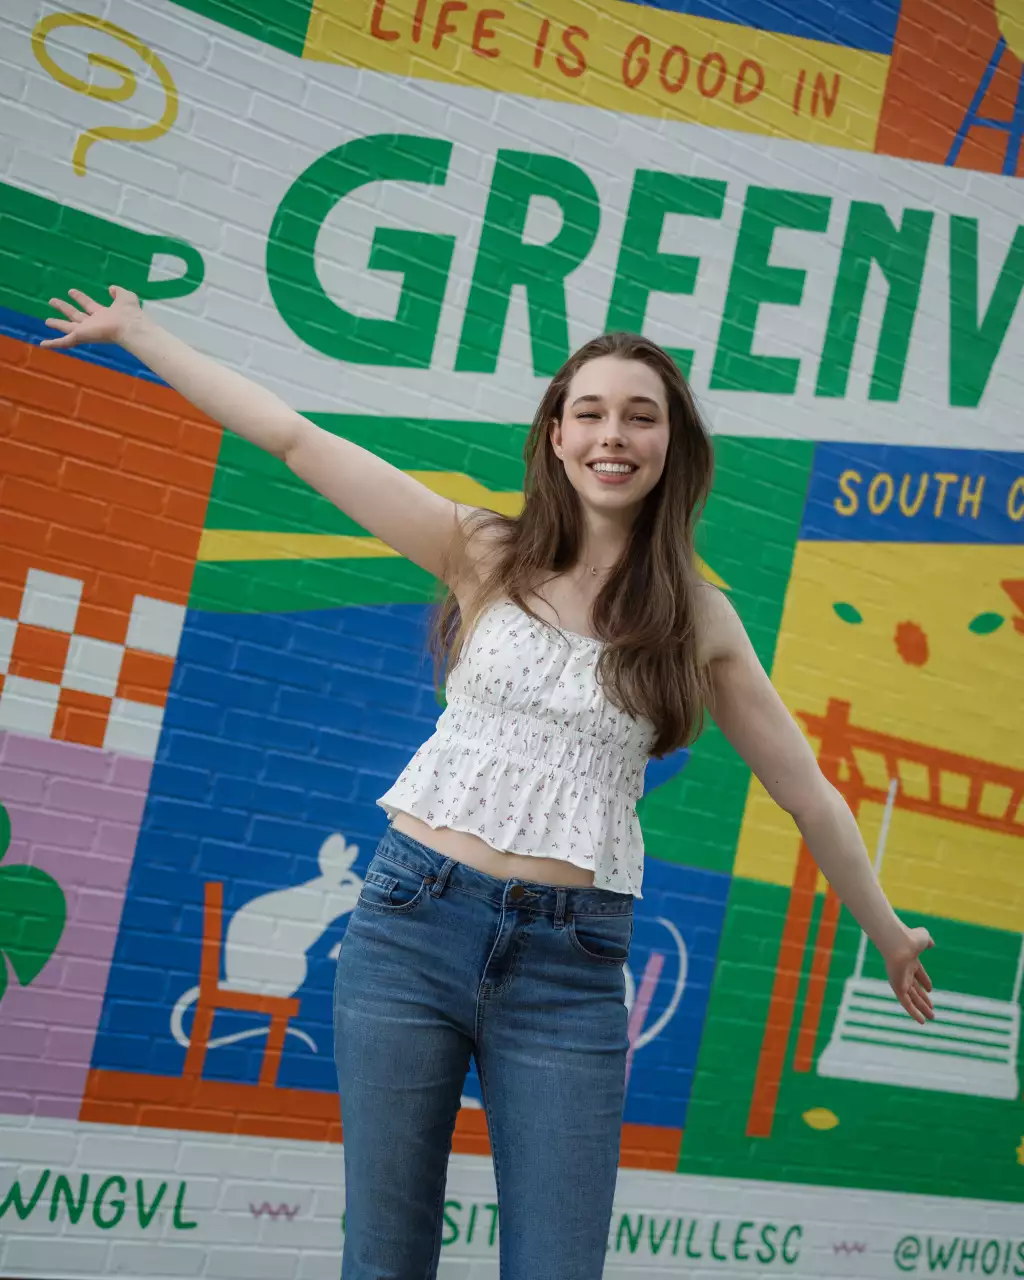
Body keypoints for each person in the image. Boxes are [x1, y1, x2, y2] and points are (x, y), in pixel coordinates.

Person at [42, 287, 935, 1279]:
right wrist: (138, 333)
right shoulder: (483, 550)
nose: (614, 433)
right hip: (410, 925)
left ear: (670, 446)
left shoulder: (697, 616)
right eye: (590, 411)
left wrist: (887, 931)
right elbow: (293, 438)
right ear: (555, 436)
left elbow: (807, 791)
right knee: (387, 1255)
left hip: (571, 965)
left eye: (641, 416)